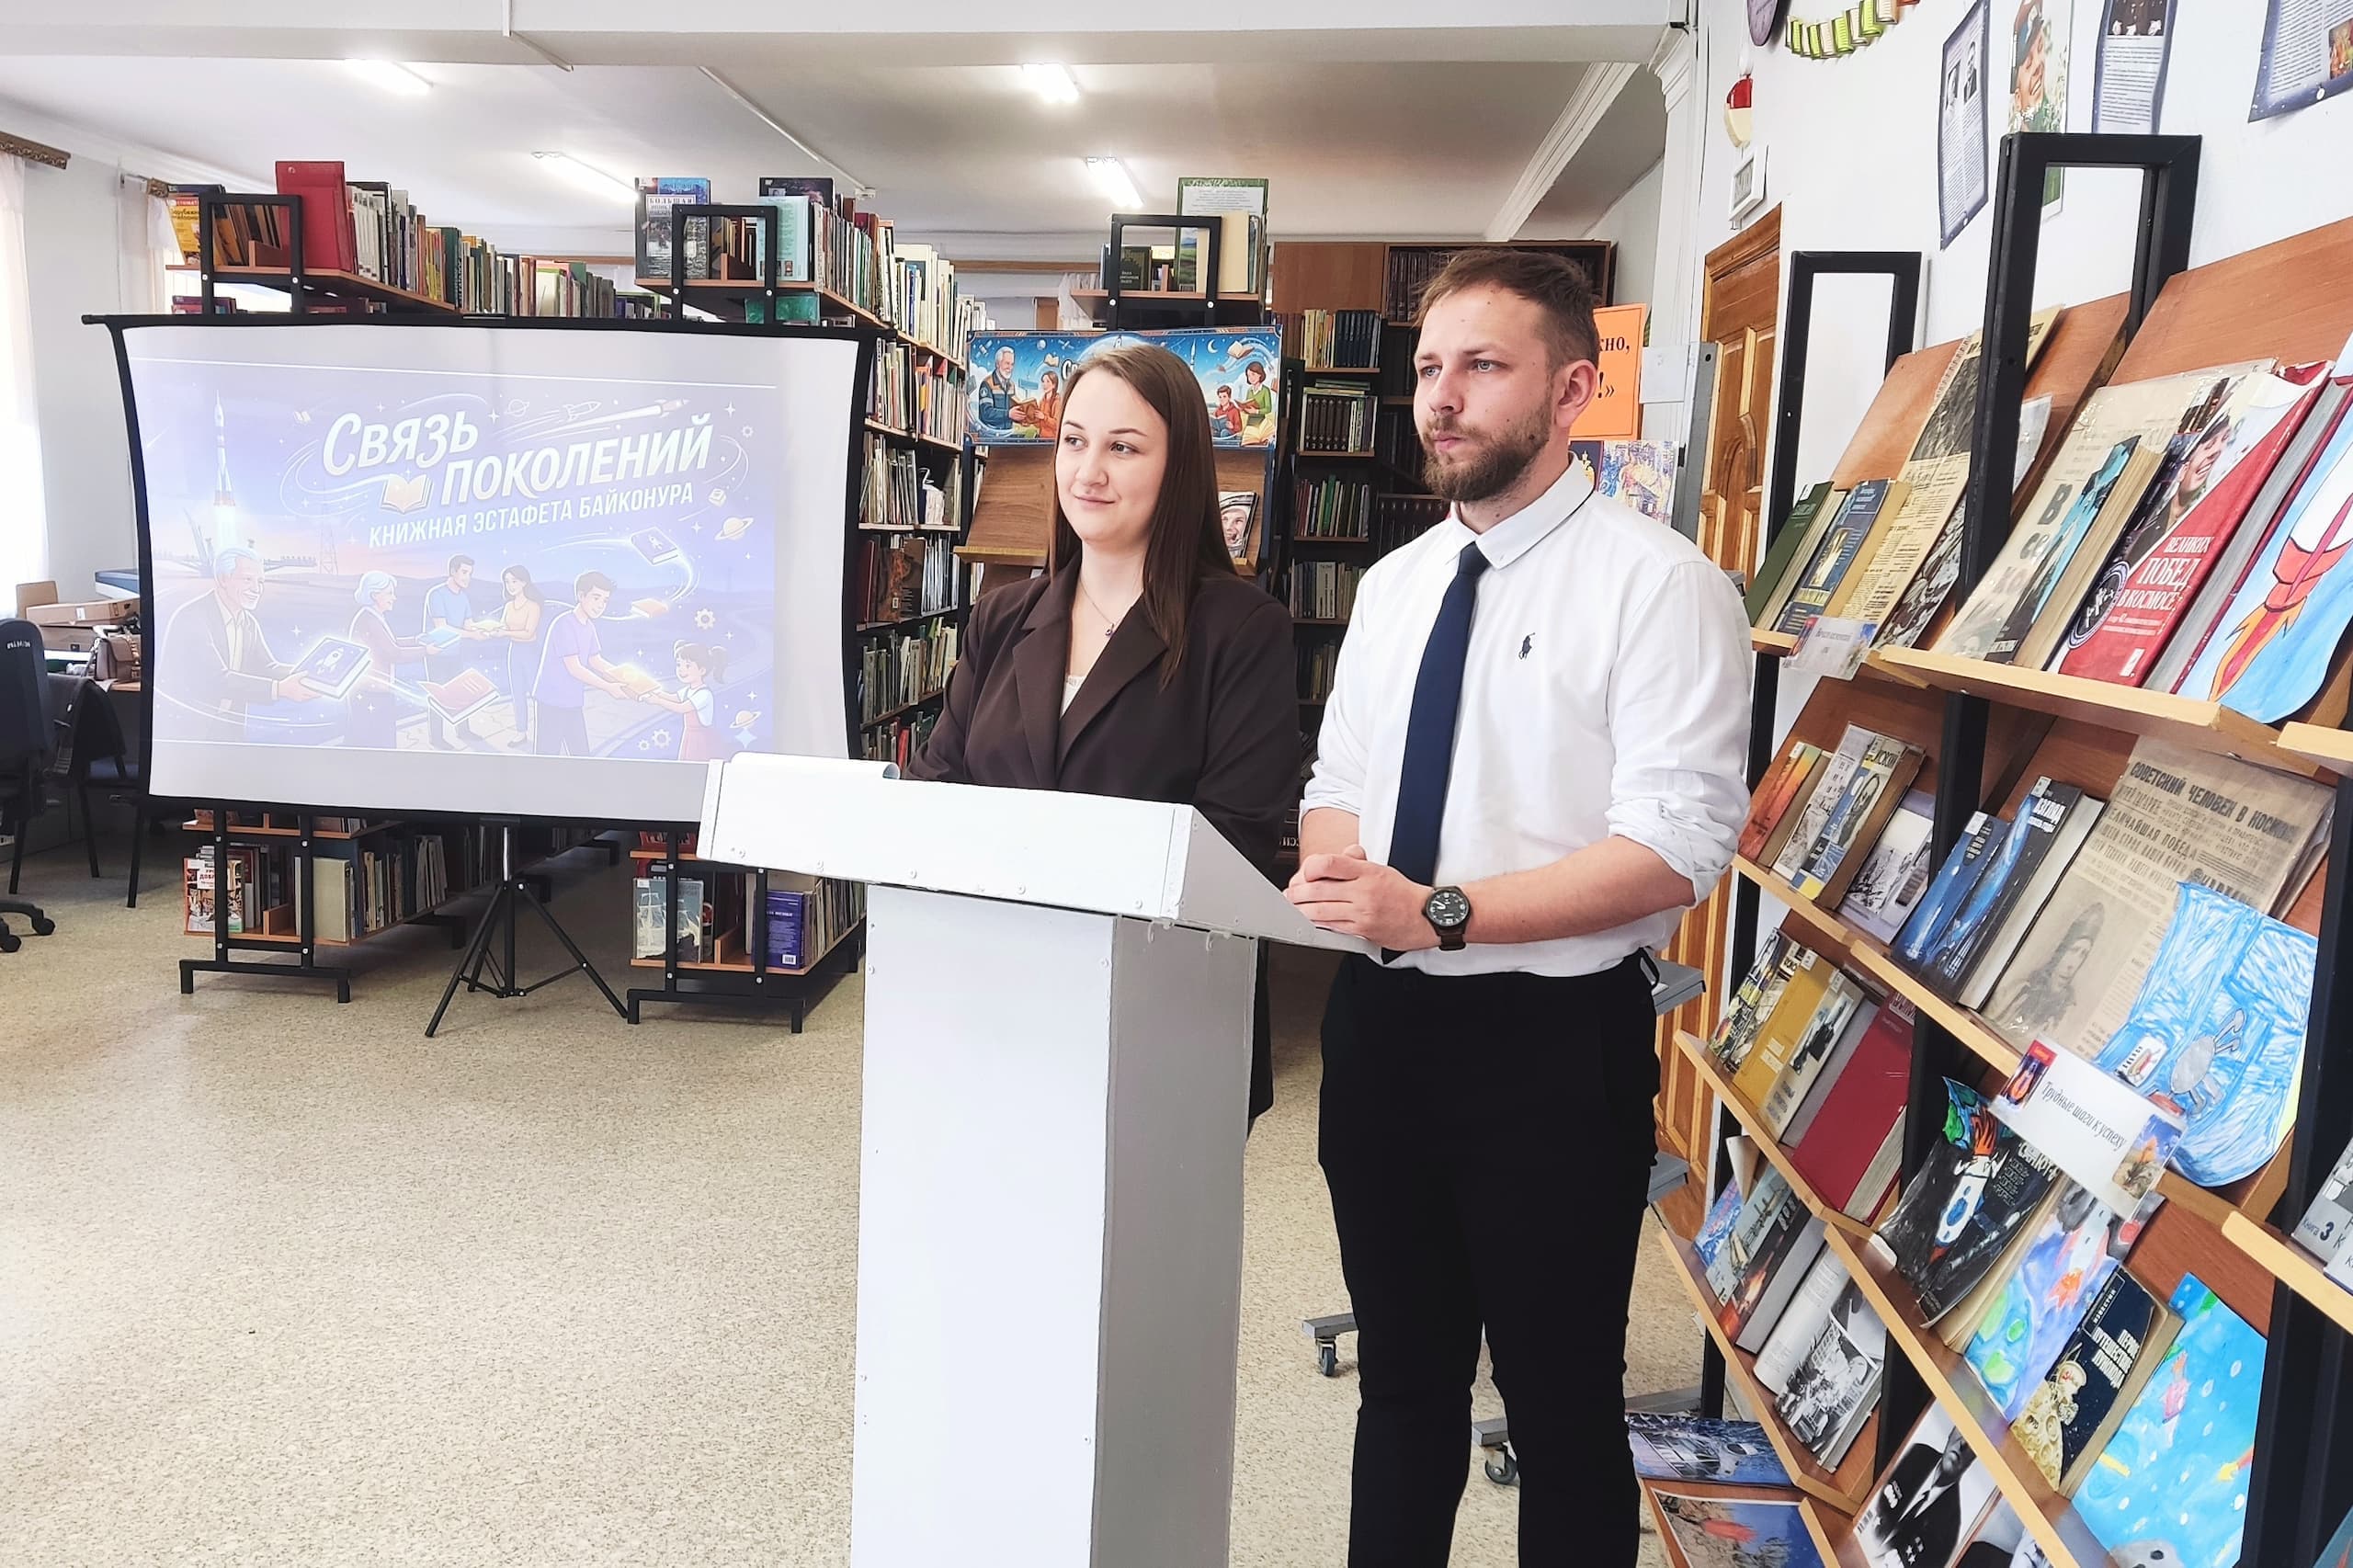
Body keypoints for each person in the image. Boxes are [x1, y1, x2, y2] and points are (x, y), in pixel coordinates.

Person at [1283, 247, 1749, 1565]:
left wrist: (1432, 910)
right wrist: (1342, 878)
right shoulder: (1395, 585)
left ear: (1572, 389)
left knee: (1559, 1404)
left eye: (1483, 366)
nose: (1442, 397)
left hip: (1548, 1050)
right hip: (1382, 1035)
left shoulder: (1661, 586)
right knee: (1402, 1383)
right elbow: (1337, 784)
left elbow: (1673, 848)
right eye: (1430, 367)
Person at [910, 340, 1297, 1122]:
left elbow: (1235, 841)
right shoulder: (1003, 616)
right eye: (1074, 441)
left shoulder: (1241, 628)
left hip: (1164, 1007)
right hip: (995, 990)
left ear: (1179, 468)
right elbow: (936, 789)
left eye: (1123, 448)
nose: (1088, 472)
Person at [160, 547, 320, 742]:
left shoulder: (248, 623)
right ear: (223, 579)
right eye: (247, 579)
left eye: (260, 581)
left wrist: (310, 672)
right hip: (186, 732)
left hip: (228, 728)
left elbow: (267, 667)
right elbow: (215, 680)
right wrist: (279, 689)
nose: (257, 589)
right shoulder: (192, 617)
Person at [532, 571, 632, 757]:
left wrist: (627, 678)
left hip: (572, 701)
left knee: (581, 754)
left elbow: (596, 660)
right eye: (596, 598)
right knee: (547, 755)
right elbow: (575, 668)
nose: (600, 605)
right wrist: (608, 687)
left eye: (605, 600)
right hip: (551, 702)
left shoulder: (588, 626)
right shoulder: (564, 624)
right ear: (581, 595)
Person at [1865, 1423, 1975, 1568]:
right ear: (1951, 1432)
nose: (1962, 1444)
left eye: (1972, 1443)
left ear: (1974, 1458)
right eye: (1962, 1431)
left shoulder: (1950, 1527)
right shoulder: (1916, 1455)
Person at [347, 571, 427, 750]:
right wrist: (425, 651)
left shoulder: (372, 616)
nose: (394, 598)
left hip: (371, 692)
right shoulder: (370, 621)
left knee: (371, 740)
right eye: (390, 593)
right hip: (371, 694)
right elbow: (393, 654)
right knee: (378, 742)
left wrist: (416, 640)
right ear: (375, 595)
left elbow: (391, 643)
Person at [477, 563, 546, 752]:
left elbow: (529, 633)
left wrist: (505, 633)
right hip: (514, 652)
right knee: (517, 694)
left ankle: (544, 731)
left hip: (530, 652)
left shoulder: (533, 606)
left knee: (536, 693)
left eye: (514, 581)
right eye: (507, 582)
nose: (510, 586)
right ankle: (521, 732)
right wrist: (489, 630)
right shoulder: (508, 606)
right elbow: (502, 626)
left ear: (524, 582)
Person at [421, 553, 485, 750]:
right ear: (452, 571)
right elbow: (442, 627)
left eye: (470, 573)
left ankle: (463, 731)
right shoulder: (436, 594)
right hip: (436, 654)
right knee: (438, 695)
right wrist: (471, 635)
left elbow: (469, 624)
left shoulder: (463, 597)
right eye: (464, 572)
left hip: (455, 654)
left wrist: (486, 629)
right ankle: (436, 738)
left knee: (460, 692)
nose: (468, 577)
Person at [642, 641, 735, 762]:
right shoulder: (688, 690)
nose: (681, 670)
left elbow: (681, 708)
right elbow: (674, 698)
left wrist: (658, 701)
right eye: (679, 665)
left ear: (702, 670)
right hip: (689, 735)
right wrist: (655, 691)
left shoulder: (704, 694)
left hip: (701, 738)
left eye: (687, 666)